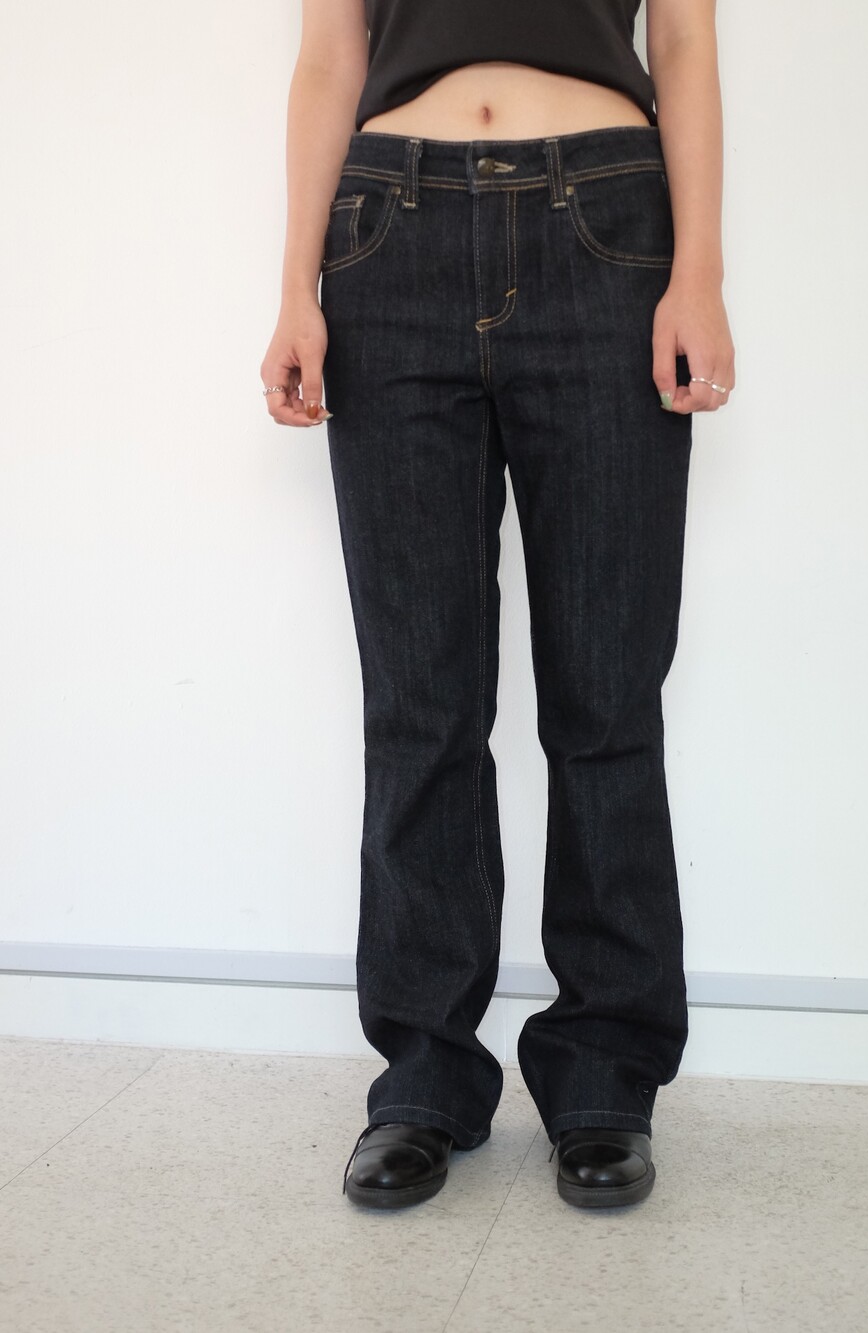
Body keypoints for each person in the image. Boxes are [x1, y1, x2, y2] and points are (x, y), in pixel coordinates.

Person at [260, 0, 734, 1210]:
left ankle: (605, 1074)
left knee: (606, 695)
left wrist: (698, 271)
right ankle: (423, 1076)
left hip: (606, 228)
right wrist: (295, 286)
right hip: (387, 235)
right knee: (418, 699)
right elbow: (330, 56)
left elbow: (682, 42)